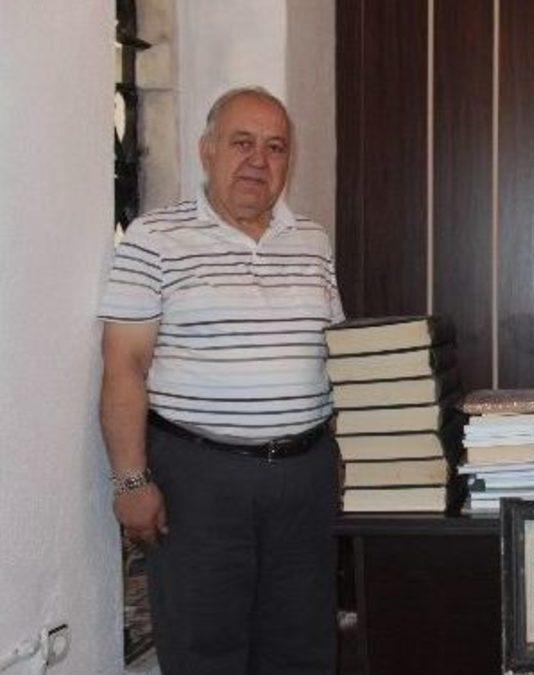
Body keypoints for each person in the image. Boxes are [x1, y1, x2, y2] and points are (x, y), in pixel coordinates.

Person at [99, 86, 344, 674]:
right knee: (204, 650)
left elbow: (335, 355)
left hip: (304, 479)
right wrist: (131, 480)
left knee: (303, 648)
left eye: (275, 147)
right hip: (199, 482)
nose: (259, 160)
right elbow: (124, 367)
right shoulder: (154, 239)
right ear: (206, 150)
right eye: (242, 143)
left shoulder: (312, 241)